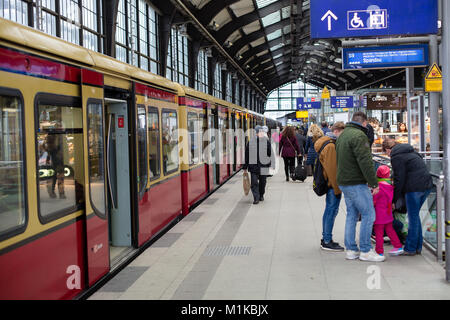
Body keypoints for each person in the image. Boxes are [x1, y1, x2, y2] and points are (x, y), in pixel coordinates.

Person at [336, 111, 384, 262]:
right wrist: (374, 182)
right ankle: (365, 250)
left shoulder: (343, 134)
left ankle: (351, 250)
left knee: (352, 214)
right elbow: (365, 162)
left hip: (344, 181)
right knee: (369, 214)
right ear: (364, 123)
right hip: (355, 182)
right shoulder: (359, 136)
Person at [382, 139, 434, 255]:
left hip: (413, 188)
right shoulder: (411, 152)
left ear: (388, 150)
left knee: (412, 217)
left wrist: (395, 199)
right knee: (415, 216)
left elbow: (399, 179)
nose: (388, 155)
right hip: (426, 185)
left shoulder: (396, 157)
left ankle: (410, 248)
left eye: (386, 153)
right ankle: (417, 247)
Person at [314, 122, 345, 251]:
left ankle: (326, 238)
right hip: (332, 184)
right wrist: (337, 188)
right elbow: (332, 169)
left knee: (330, 210)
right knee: (331, 211)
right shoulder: (331, 146)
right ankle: (327, 240)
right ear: (337, 131)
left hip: (329, 183)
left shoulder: (326, 142)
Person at [372, 165, 404, 256]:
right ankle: (398, 246)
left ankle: (379, 251)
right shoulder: (391, 187)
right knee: (390, 230)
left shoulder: (378, 188)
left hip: (379, 214)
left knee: (379, 233)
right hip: (388, 212)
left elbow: (374, 201)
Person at [243, 125, 275, 204]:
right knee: (254, 183)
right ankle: (256, 198)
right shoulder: (251, 142)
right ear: (256, 133)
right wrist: (245, 167)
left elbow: (271, 153)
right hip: (253, 166)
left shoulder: (266, 141)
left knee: (263, 182)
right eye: (259, 132)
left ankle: (261, 195)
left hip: (264, 166)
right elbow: (247, 155)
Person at [45, 131, 66, 199]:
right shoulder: (56, 136)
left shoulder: (55, 136)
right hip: (57, 160)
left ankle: (55, 192)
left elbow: (48, 149)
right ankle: (60, 193)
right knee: (58, 177)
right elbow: (50, 148)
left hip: (56, 159)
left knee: (55, 177)